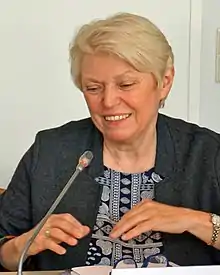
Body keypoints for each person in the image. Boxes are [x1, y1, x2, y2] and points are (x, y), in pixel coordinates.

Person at [0, 11, 220, 272]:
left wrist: (196, 221)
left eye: (126, 84)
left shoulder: (208, 152)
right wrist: (21, 246)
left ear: (165, 82)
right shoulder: (49, 151)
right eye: (93, 88)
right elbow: (4, 247)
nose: (108, 102)